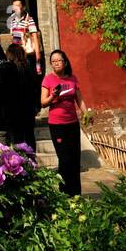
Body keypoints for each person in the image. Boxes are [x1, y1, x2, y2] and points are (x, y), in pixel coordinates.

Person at [41, 49, 86, 196]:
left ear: (65, 62)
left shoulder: (72, 78)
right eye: (53, 61)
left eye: (58, 60)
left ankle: (76, 194)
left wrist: (86, 113)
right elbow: (43, 103)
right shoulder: (48, 79)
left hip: (72, 123)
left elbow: (79, 99)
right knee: (64, 159)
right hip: (57, 124)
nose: (56, 63)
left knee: (74, 158)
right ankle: (64, 193)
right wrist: (53, 96)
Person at [3, 41, 39, 150]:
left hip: (14, 109)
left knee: (18, 138)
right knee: (29, 135)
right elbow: (35, 88)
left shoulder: (9, 68)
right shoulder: (28, 68)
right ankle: (32, 159)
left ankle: (22, 163)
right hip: (28, 107)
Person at [6, 0, 43, 82]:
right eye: (13, 6)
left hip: (26, 53)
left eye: (18, 6)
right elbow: (12, 35)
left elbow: (34, 36)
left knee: (27, 74)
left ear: (23, 7)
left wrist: (37, 54)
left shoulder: (29, 19)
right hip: (15, 52)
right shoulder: (12, 19)